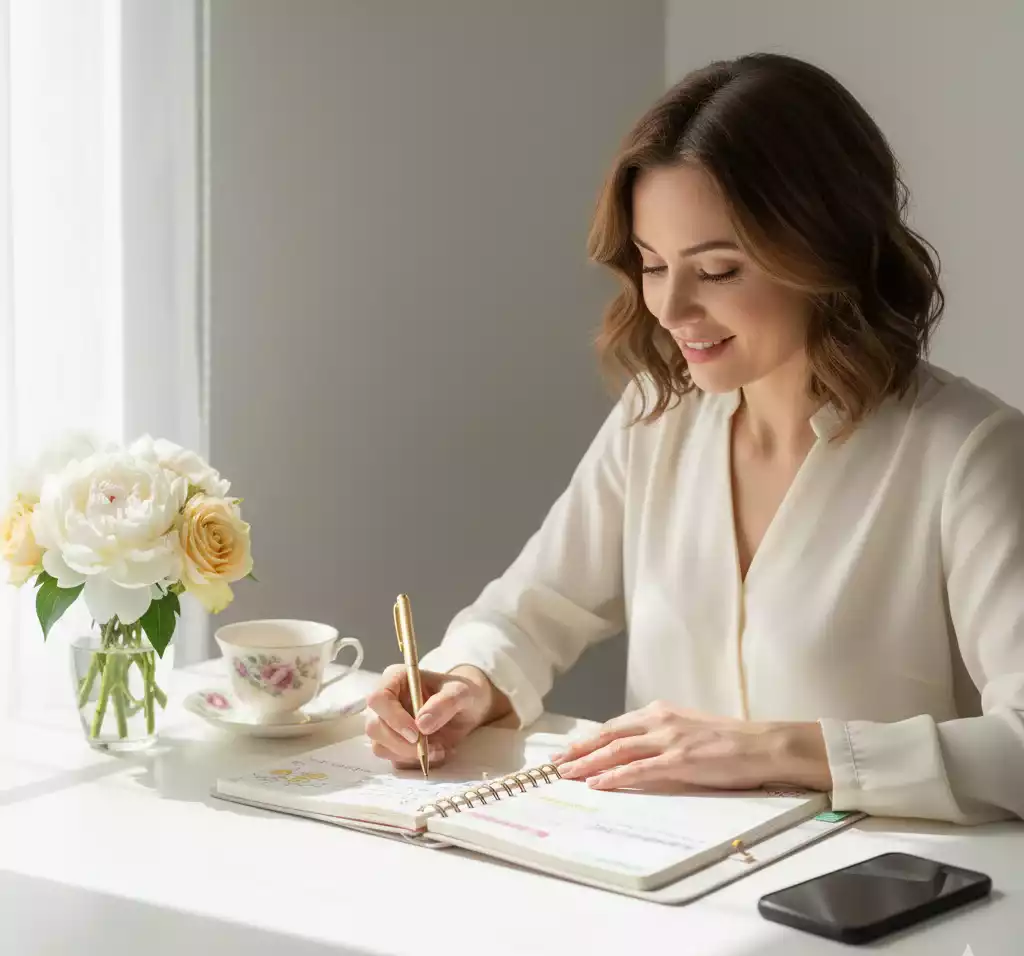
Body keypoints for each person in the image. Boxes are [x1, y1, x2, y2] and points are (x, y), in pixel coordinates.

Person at [365, 53, 1024, 825]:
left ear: (827, 251)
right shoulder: (657, 418)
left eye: (716, 271)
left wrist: (776, 750)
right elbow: (530, 610)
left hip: (875, 886)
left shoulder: (970, 455)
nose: (672, 308)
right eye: (652, 265)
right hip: (660, 872)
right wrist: (465, 681)